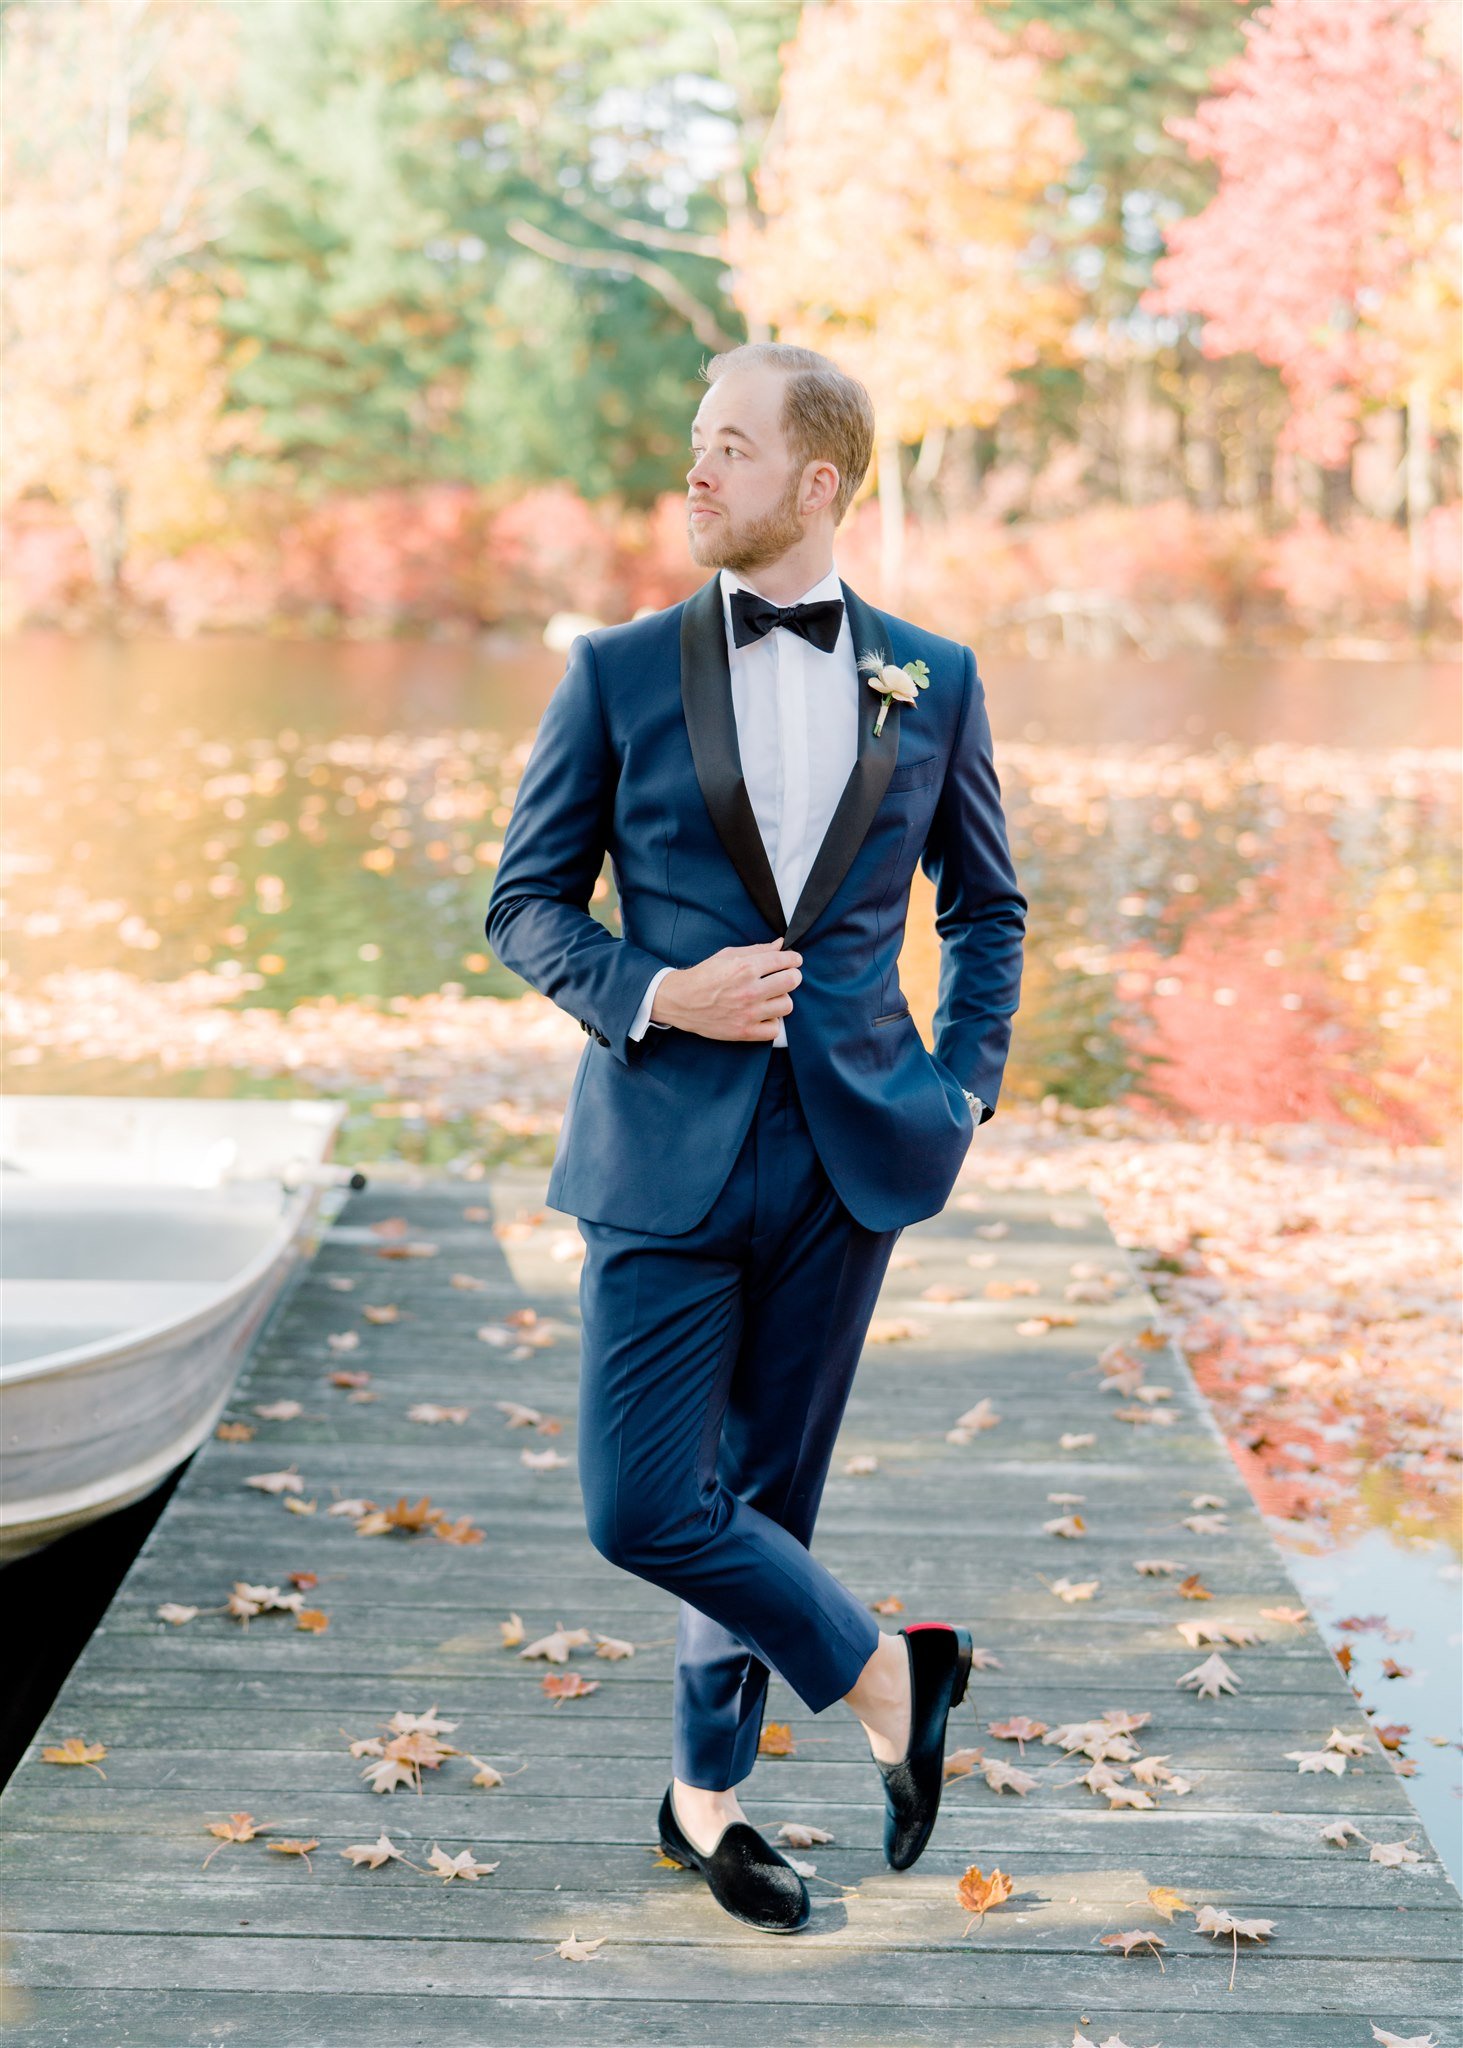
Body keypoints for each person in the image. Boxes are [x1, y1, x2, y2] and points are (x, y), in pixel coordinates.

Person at [485, 340, 1026, 1934]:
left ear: (817, 483)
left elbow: (987, 908)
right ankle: (890, 1674)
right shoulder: (616, 670)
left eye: (727, 446)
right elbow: (523, 907)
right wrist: (658, 991)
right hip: (661, 1151)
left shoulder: (933, 676)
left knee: (764, 1505)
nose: (693, 471)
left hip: (853, 1153)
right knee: (645, 1505)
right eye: (693, 442)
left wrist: (965, 1085)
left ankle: (705, 1803)